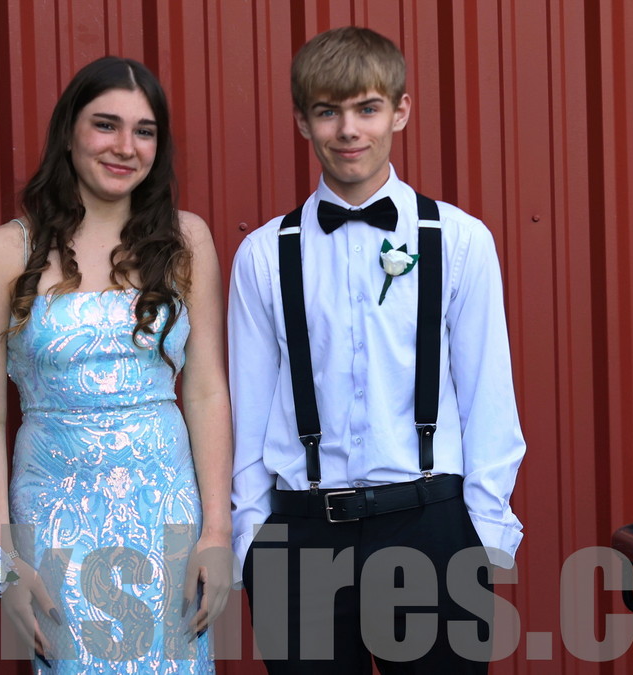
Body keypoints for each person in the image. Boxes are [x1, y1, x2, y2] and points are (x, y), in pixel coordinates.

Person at [228, 27, 525, 673]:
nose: (348, 130)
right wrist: (252, 542)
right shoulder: (263, 256)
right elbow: (247, 413)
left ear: (400, 111)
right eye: (327, 111)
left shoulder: (460, 240)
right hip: (301, 535)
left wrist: (483, 537)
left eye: (367, 108)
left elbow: (489, 398)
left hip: (430, 525)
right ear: (302, 122)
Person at [0, 56, 232, 674]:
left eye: (144, 131)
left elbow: (207, 391)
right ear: (69, 132)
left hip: (167, 511)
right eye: (106, 124)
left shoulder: (186, 241)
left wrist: (218, 530)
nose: (125, 147)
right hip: (56, 516)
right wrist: (2, 560)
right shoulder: (3, 253)